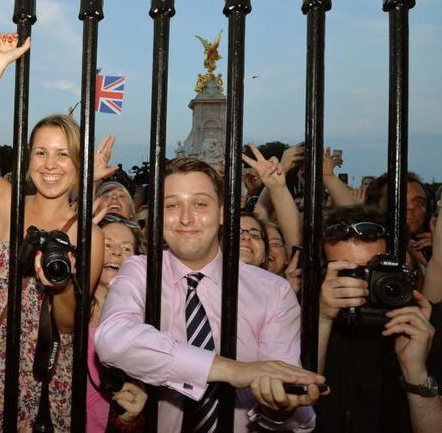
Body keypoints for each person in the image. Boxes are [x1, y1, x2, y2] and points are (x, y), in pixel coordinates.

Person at [0, 33, 109, 431]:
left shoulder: (89, 233)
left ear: (77, 164)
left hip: (47, 376)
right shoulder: (6, 203)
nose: (50, 164)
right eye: (41, 152)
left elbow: (70, 325)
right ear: (28, 159)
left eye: (62, 154)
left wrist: (59, 282)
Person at [95, 157, 326, 432]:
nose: (185, 217)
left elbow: (294, 411)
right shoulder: (141, 271)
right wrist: (234, 370)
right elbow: (113, 338)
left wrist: (278, 407)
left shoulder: (272, 290)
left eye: (200, 204)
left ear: (222, 213)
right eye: (172, 205)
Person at [316, 205, 442, 432]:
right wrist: (322, 319)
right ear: (323, 275)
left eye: (374, 269)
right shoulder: (303, 315)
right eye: (349, 274)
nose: (364, 283)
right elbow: (293, 409)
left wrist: (416, 372)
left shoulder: (430, 325)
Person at [88, 213, 147, 432]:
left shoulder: (147, 316)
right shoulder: (66, 307)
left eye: (126, 249)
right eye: (107, 245)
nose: (116, 253)